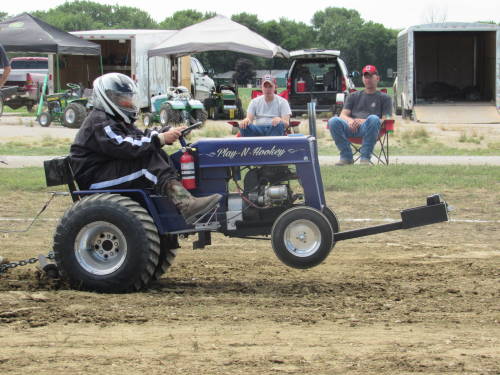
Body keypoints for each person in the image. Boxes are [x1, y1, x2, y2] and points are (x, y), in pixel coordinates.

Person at [70, 73, 221, 224]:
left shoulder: (115, 119)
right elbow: (126, 146)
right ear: (109, 98)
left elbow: (139, 137)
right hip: (94, 177)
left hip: (106, 169)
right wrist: (160, 139)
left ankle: (180, 200)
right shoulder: (100, 121)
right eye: (124, 98)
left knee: (156, 153)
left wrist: (164, 132)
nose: (129, 101)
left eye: (130, 97)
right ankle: (186, 204)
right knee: (147, 163)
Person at [328, 65, 392, 165]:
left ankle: (365, 158)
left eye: (371, 76)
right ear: (362, 78)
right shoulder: (353, 96)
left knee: (374, 118)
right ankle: (346, 157)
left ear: (377, 78)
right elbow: (343, 115)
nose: (368, 79)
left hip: (371, 128)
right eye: (365, 76)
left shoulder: (385, 98)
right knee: (333, 121)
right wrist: (350, 121)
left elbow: (386, 118)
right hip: (352, 127)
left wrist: (365, 121)